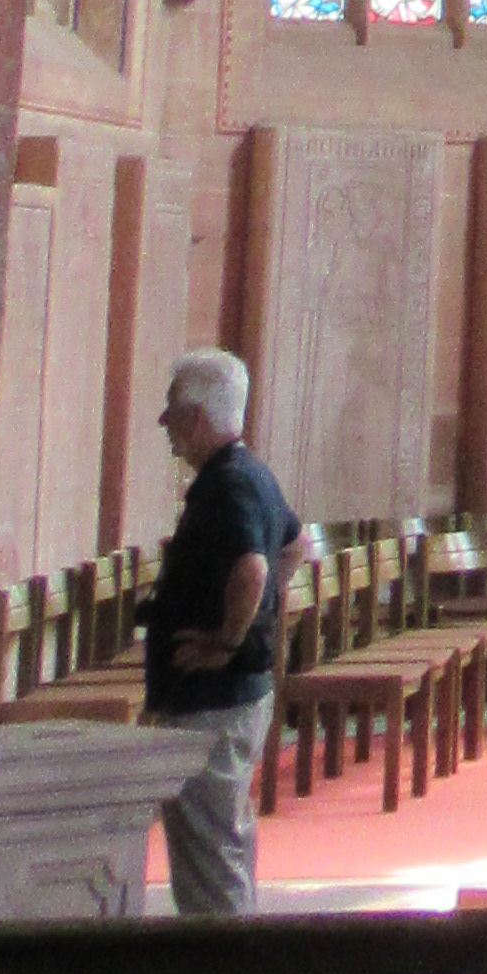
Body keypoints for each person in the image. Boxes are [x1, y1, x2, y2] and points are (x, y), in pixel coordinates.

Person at [139, 345, 299, 919]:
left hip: (212, 703)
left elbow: (254, 567)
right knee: (223, 844)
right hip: (232, 698)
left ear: (199, 415)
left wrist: (228, 640)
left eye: (172, 409)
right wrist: (259, 618)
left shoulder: (227, 485)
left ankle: (225, 964)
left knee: (211, 862)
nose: (164, 421)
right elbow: (294, 546)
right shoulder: (252, 473)